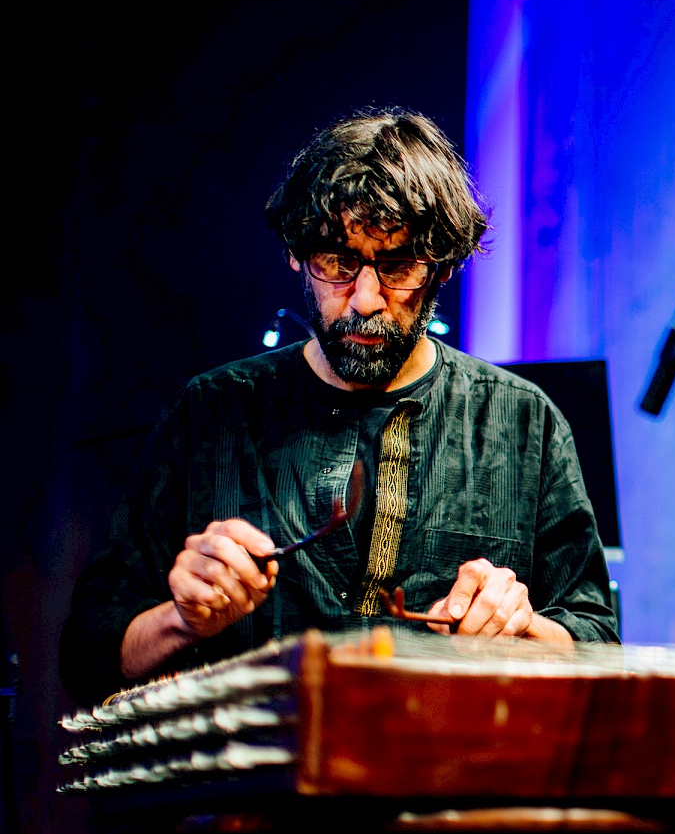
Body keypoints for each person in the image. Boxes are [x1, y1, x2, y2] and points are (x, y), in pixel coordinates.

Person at [61, 109, 617, 706]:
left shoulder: (522, 422)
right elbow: (89, 656)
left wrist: (521, 624)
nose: (366, 300)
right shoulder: (210, 412)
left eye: (400, 265)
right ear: (298, 257)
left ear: (444, 268)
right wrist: (182, 618)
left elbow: (600, 644)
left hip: (455, 782)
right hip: (256, 789)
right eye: (337, 262)